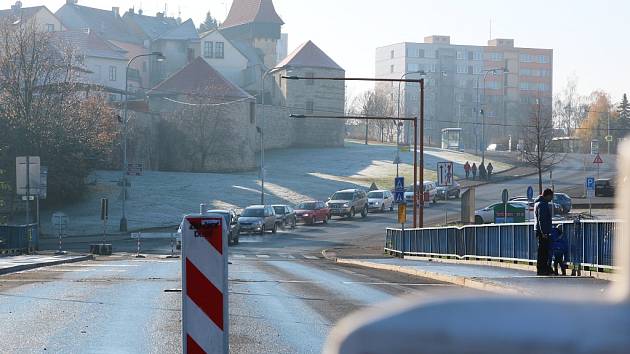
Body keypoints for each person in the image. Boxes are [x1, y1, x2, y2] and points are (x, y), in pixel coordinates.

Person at [534, 189, 554, 276]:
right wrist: (544, 232)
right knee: (543, 251)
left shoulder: (538, 203)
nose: (552, 198)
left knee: (542, 251)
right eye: (551, 196)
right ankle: (542, 269)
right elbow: (541, 220)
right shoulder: (542, 204)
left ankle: (543, 268)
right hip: (543, 232)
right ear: (547, 195)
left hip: (540, 230)